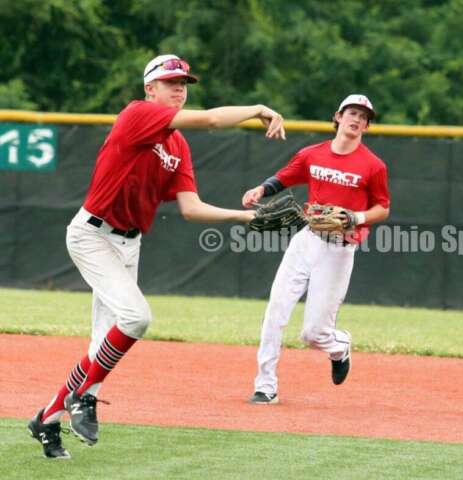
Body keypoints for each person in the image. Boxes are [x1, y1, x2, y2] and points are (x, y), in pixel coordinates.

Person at [27, 54, 286, 459]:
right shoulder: (138, 114)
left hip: (129, 243)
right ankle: (82, 397)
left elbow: (191, 207)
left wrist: (247, 215)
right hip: (93, 235)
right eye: (171, 82)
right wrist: (257, 108)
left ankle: (46, 419)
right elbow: (215, 121)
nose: (180, 88)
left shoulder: (177, 144)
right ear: (150, 89)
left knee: (102, 345)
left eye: (184, 82)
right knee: (137, 317)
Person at [241, 94, 390, 405]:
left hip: (339, 249)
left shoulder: (373, 166)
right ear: (337, 116)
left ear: (367, 125)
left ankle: (339, 347)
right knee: (275, 312)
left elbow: (382, 208)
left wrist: (356, 217)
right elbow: (284, 177)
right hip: (307, 240)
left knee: (314, 333)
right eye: (352, 112)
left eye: (364, 116)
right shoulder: (313, 154)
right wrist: (260, 189)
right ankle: (265, 386)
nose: (357, 119)